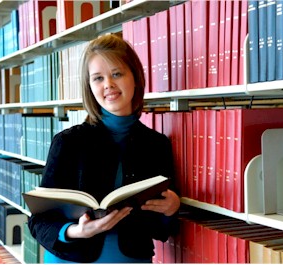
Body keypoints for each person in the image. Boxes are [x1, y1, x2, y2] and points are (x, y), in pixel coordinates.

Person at [27, 33, 181, 263]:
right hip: (72, 258)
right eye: (98, 78)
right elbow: (38, 221)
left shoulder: (157, 145)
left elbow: (161, 230)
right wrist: (76, 231)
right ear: (90, 86)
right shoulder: (68, 143)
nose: (108, 84)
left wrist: (172, 209)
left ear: (135, 77)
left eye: (117, 74)